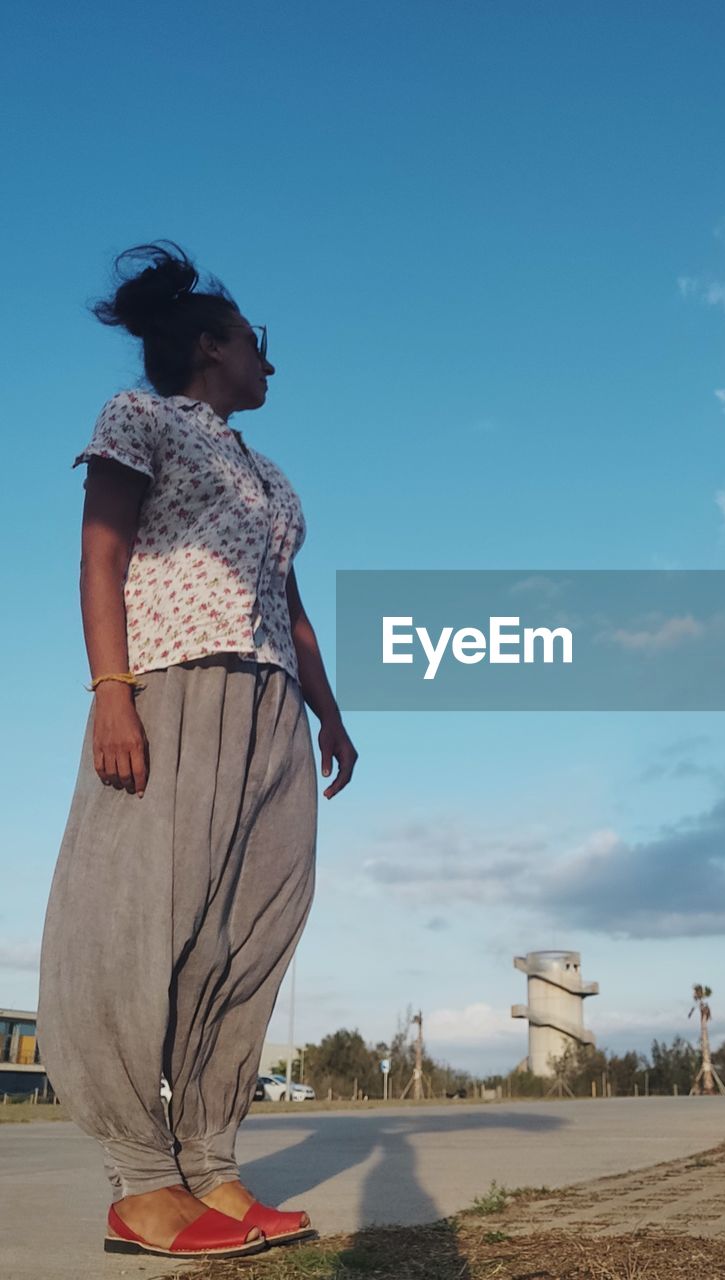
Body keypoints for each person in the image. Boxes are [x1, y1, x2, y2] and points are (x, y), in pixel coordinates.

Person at [37, 241, 357, 1260]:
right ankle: (141, 1176)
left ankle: (211, 1161)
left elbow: (291, 606)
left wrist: (331, 712)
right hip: (172, 683)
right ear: (212, 345)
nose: (270, 365)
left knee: (249, 929)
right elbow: (101, 554)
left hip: (272, 709)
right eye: (256, 346)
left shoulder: (268, 473)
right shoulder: (140, 419)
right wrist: (112, 694)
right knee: (140, 914)